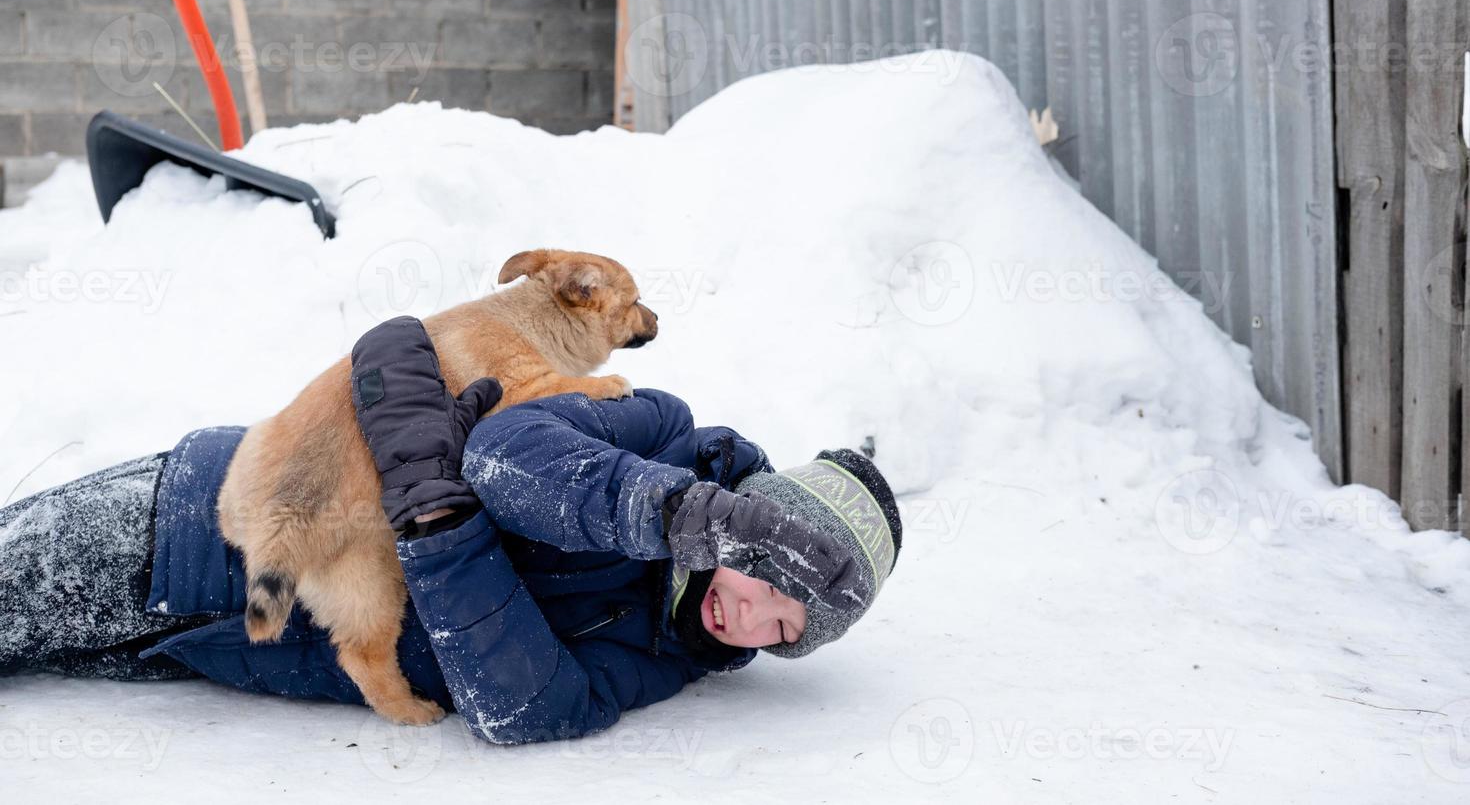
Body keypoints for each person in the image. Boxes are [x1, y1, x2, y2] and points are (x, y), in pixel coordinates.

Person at [0, 317, 903, 745]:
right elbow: (512, 452)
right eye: (769, 590)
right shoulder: (660, 427)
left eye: (787, 633)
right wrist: (680, 514)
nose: (754, 625)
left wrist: (437, 522)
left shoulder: (665, 652)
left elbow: (527, 708)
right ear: (753, 530)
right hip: (221, 520)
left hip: (238, 645)